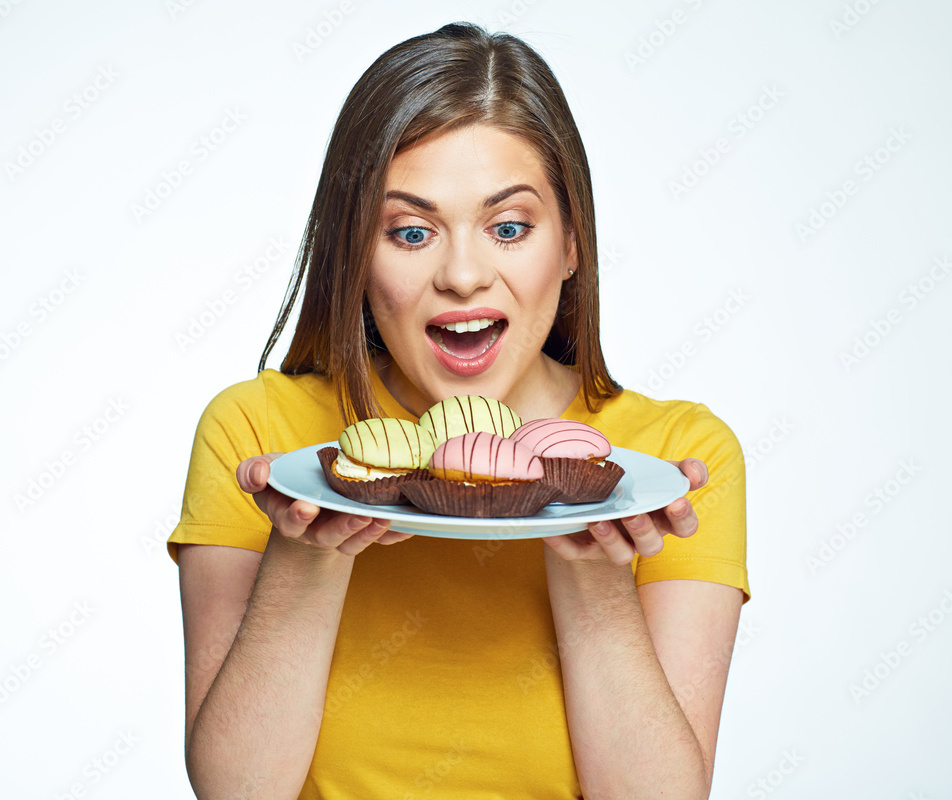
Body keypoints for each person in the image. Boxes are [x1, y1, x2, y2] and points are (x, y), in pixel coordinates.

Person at [169, 21, 749, 800]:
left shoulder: (665, 460)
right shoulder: (264, 438)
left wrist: (596, 570)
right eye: (411, 232)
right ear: (355, 255)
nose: (464, 275)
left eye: (509, 227)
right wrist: (306, 554)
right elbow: (236, 791)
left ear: (572, 242)